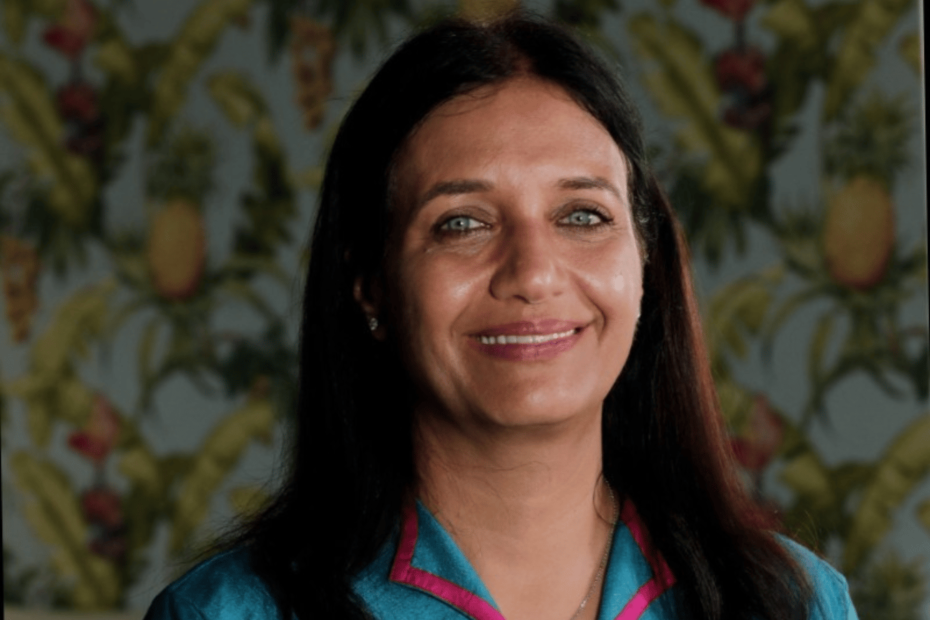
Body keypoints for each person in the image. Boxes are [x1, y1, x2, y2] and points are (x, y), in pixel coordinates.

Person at [144, 13, 858, 620]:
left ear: (645, 262)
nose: (534, 273)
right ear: (370, 285)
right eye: (462, 223)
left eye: (582, 215)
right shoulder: (229, 611)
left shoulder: (794, 603)